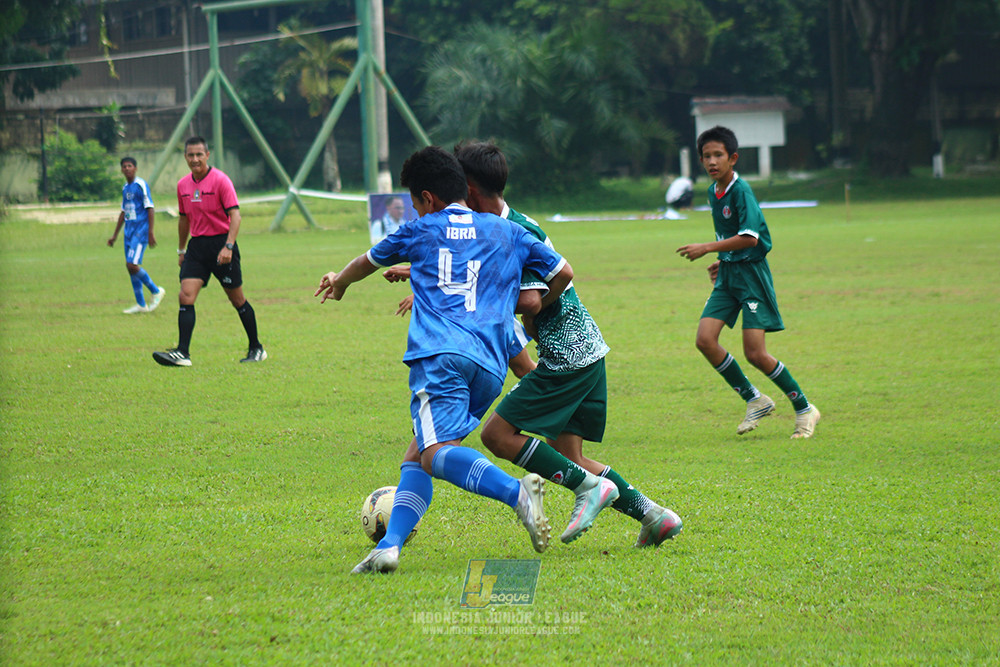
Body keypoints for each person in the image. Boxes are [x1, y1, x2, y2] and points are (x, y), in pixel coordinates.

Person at [315, 146, 574, 574]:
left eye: (416, 204)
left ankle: (518, 494)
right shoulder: (503, 230)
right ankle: (390, 545)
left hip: (441, 357)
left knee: (435, 454)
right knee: (416, 454)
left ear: (428, 199)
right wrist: (534, 309)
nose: (416, 212)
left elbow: (366, 262)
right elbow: (563, 272)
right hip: (490, 366)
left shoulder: (421, 230)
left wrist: (340, 282)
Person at [452, 141, 683, 548]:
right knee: (571, 458)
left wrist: (512, 309)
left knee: (496, 436)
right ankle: (654, 516)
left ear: (469, 188)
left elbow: (530, 299)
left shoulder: (514, 232)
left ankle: (589, 490)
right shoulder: (508, 224)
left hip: (566, 357)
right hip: (585, 350)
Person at [677, 125, 820, 438]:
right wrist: (721, 259)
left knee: (755, 353)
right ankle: (755, 399)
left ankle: (805, 408)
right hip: (729, 274)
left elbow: (750, 237)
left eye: (718, 155)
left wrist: (707, 248)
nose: (712, 161)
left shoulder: (741, 191)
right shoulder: (714, 191)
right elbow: (731, 237)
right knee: (705, 339)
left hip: (752, 277)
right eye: (706, 156)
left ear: (733, 158)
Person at [152, 136, 266, 367]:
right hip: (197, 246)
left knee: (237, 300)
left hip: (221, 245)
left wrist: (229, 246)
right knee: (185, 295)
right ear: (185, 157)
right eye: (190, 155)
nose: (195, 159)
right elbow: (184, 219)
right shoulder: (183, 185)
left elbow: (235, 215)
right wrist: (181, 249)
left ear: (207, 155)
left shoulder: (221, 181)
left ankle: (256, 347)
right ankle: (182, 353)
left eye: (199, 154)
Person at [107, 157, 166, 314]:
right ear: (121, 170)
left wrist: (150, 232)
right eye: (124, 166)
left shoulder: (141, 185)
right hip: (129, 232)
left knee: (132, 265)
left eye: (130, 166)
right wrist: (115, 235)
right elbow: (123, 212)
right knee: (130, 267)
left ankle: (155, 291)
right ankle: (141, 304)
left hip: (140, 231)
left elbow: (150, 208)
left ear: (135, 168)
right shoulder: (125, 188)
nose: (127, 168)